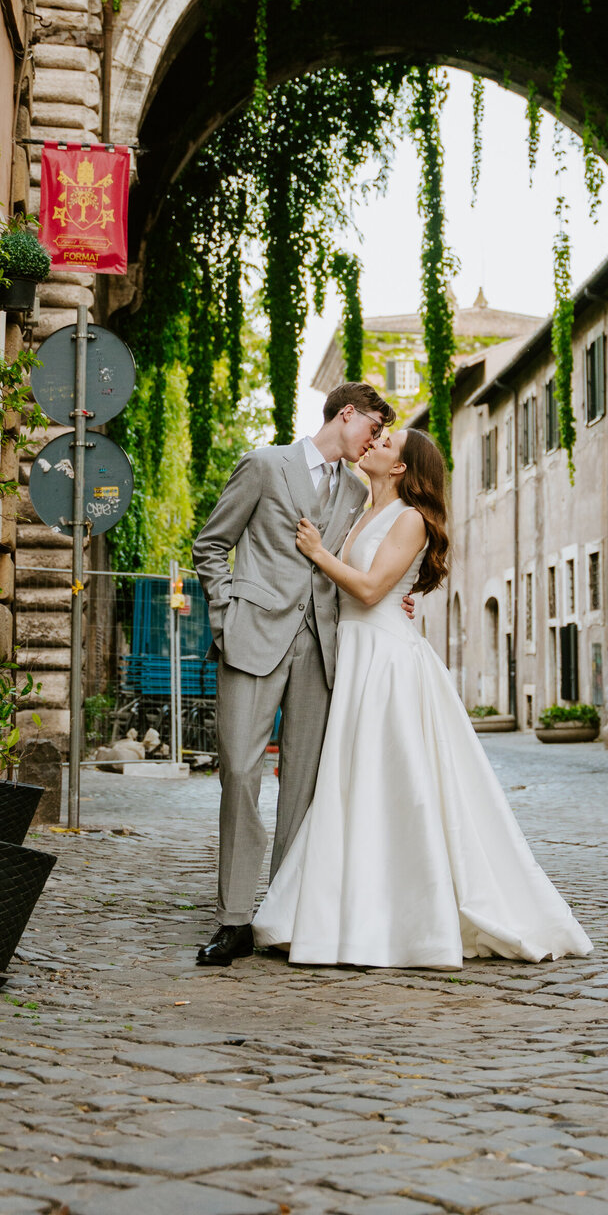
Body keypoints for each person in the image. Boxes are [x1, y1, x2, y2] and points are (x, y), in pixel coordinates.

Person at [253, 427, 593, 968]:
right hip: (359, 653)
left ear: (403, 468)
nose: (376, 443)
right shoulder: (364, 509)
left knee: (391, 784)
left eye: (387, 443)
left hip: (386, 663)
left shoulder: (409, 518)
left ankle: (399, 921)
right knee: (356, 785)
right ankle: (349, 913)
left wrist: (318, 552)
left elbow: (368, 589)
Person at [191, 381, 395, 967]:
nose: (373, 441)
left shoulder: (357, 494)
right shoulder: (264, 465)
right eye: (372, 428)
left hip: (320, 649)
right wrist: (227, 616)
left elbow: (360, 565)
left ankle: (280, 915)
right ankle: (233, 918)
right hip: (253, 637)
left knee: (303, 786)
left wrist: (392, 600)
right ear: (346, 413)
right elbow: (212, 544)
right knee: (239, 770)